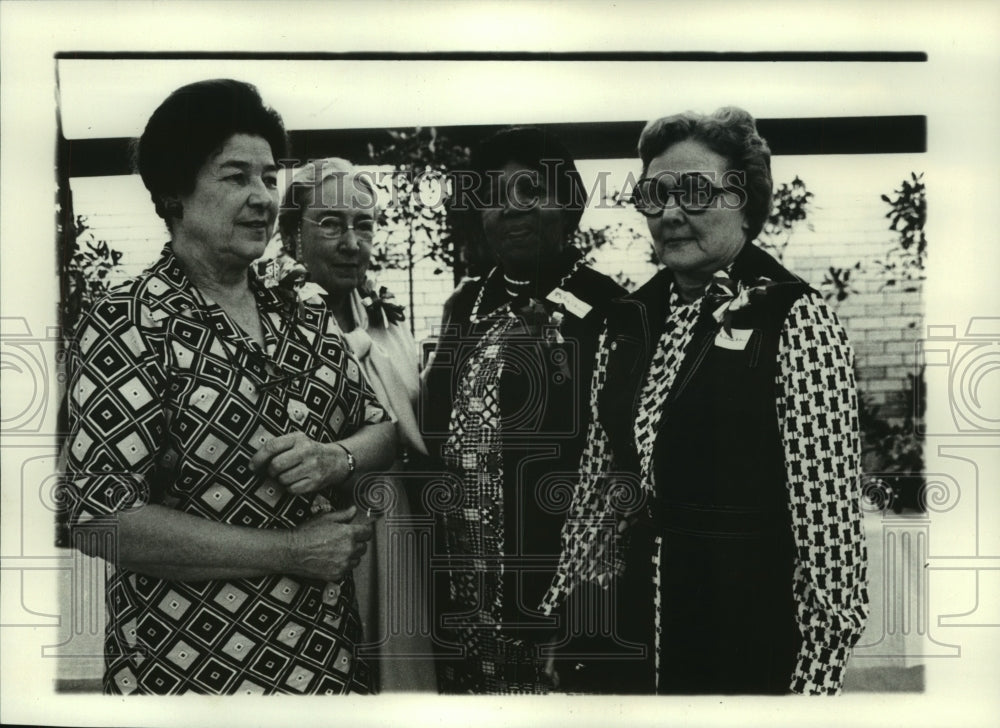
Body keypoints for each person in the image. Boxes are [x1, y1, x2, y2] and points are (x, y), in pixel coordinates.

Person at [60, 79, 397, 695]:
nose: (263, 197)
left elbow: (382, 429)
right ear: (174, 194)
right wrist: (290, 552)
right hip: (186, 671)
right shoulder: (129, 321)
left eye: (269, 178)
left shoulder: (301, 309)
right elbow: (99, 518)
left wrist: (334, 458)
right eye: (235, 176)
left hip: (327, 667)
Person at [541, 107, 870, 695]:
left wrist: (813, 685)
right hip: (630, 631)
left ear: (746, 202)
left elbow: (831, 533)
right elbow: (597, 490)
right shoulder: (629, 320)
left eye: (694, 192)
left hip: (746, 631)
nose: (670, 213)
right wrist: (568, 619)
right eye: (654, 195)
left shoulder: (796, 318)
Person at [420, 126, 626, 694]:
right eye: (493, 192)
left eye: (530, 189)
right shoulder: (464, 305)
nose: (510, 207)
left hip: (559, 587)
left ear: (569, 204)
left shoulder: (609, 309)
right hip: (464, 588)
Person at [271, 157, 436, 691]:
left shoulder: (387, 324)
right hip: (315, 528)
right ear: (292, 232)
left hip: (395, 521)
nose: (351, 242)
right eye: (330, 223)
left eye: (363, 225)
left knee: (399, 666)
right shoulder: (271, 319)